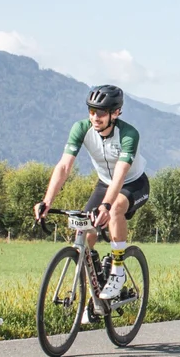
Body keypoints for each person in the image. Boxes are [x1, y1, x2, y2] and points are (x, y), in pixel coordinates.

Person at [34, 84, 150, 301]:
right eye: (91, 111)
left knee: (115, 209)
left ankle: (117, 271)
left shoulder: (128, 134)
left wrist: (106, 206)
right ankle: (93, 298)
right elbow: (64, 167)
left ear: (115, 113)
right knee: (84, 236)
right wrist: (47, 200)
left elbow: (120, 175)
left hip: (132, 183)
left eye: (101, 112)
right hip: (104, 184)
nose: (95, 117)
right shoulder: (81, 128)